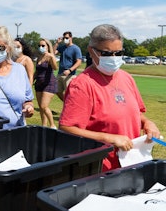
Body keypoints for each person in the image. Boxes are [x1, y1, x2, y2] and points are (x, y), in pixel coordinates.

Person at [59, 24, 160, 172]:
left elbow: (135, 113)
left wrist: (147, 123)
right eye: (106, 53)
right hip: (101, 168)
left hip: (131, 163)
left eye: (118, 53)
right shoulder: (82, 85)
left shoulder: (126, 77)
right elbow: (67, 128)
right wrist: (109, 138)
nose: (113, 58)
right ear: (91, 52)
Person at [34, 38, 58, 128]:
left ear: (48, 47)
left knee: (44, 106)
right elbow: (36, 72)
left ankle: (52, 125)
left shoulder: (50, 56)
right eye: (39, 46)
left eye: (43, 45)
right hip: (39, 83)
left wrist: (52, 57)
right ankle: (44, 126)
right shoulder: (39, 57)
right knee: (40, 107)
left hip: (49, 83)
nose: (41, 47)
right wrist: (31, 80)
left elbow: (55, 68)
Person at [54, 31, 82, 101]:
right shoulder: (62, 47)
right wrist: (57, 43)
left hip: (70, 75)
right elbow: (53, 53)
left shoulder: (76, 48)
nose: (65, 39)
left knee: (70, 94)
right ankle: (67, 103)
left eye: (67, 38)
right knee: (57, 91)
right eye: (64, 38)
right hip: (60, 73)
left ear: (71, 38)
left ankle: (71, 107)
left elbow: (79, 62)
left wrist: (70, 70)